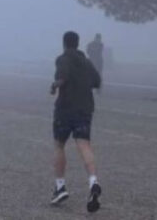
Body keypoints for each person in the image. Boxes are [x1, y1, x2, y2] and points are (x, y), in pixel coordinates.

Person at [50, 30, 103, 213]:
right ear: (78, 44)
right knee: (84, 145)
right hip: (85, 109)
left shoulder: (63, 58)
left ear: (65, 43)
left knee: (59, 145)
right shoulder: (86, 62)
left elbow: (62, 77)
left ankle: (60, 187)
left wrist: (54, 85)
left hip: (65, 109)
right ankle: (93, 182)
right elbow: (97, 81)